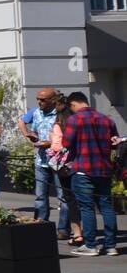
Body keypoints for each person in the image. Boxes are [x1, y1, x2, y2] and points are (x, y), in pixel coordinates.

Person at [61, 92, 119, 256]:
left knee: (87, 208)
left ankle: (91, 245)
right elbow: (115, 143)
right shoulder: (107, 119)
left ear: (73, 104)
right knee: (106, 207)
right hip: (104, 169)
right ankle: (110, 246)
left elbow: (66, 143)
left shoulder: (75, 119)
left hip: (82, 170)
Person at [48, 94, 82, 244]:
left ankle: (73, 232)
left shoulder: (59, 125)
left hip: (64, 166)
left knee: (67, 198)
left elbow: (56, 146)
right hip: (80, 164)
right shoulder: (77, 122)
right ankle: (86, 232)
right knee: (84, 200)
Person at [27, 88, 61, 225]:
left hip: (59, 161)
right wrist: (33, 137)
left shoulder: (60, 114)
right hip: (41, 161)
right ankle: (42, 223)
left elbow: (67, 137)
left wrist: (50, 143)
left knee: (62, 197)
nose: (39, 102)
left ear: (53, 100)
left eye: (43, 100)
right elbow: (34, 131)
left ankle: (64, 228)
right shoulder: (36, 113)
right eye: (38, 99)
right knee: (40, 195)